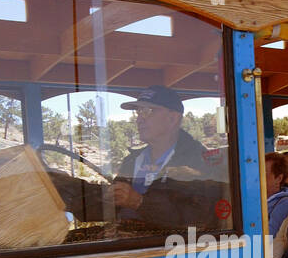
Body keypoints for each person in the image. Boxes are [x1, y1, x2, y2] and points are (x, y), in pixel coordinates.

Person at [52, 85, 224, 230]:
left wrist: (139, 202)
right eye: (138, 112)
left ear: (173, 118)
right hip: (133, 249)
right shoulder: (133, 161)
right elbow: (113, 208)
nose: (139, 119)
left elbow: (200, 218)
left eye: (148, 111)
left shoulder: (199, 160)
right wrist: (66, 189)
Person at [265, 152, 288, 235]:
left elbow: (269, 236)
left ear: (279, 178)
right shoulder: (257, 199)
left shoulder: (285, 203)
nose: (258, 178)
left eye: (264, 174)